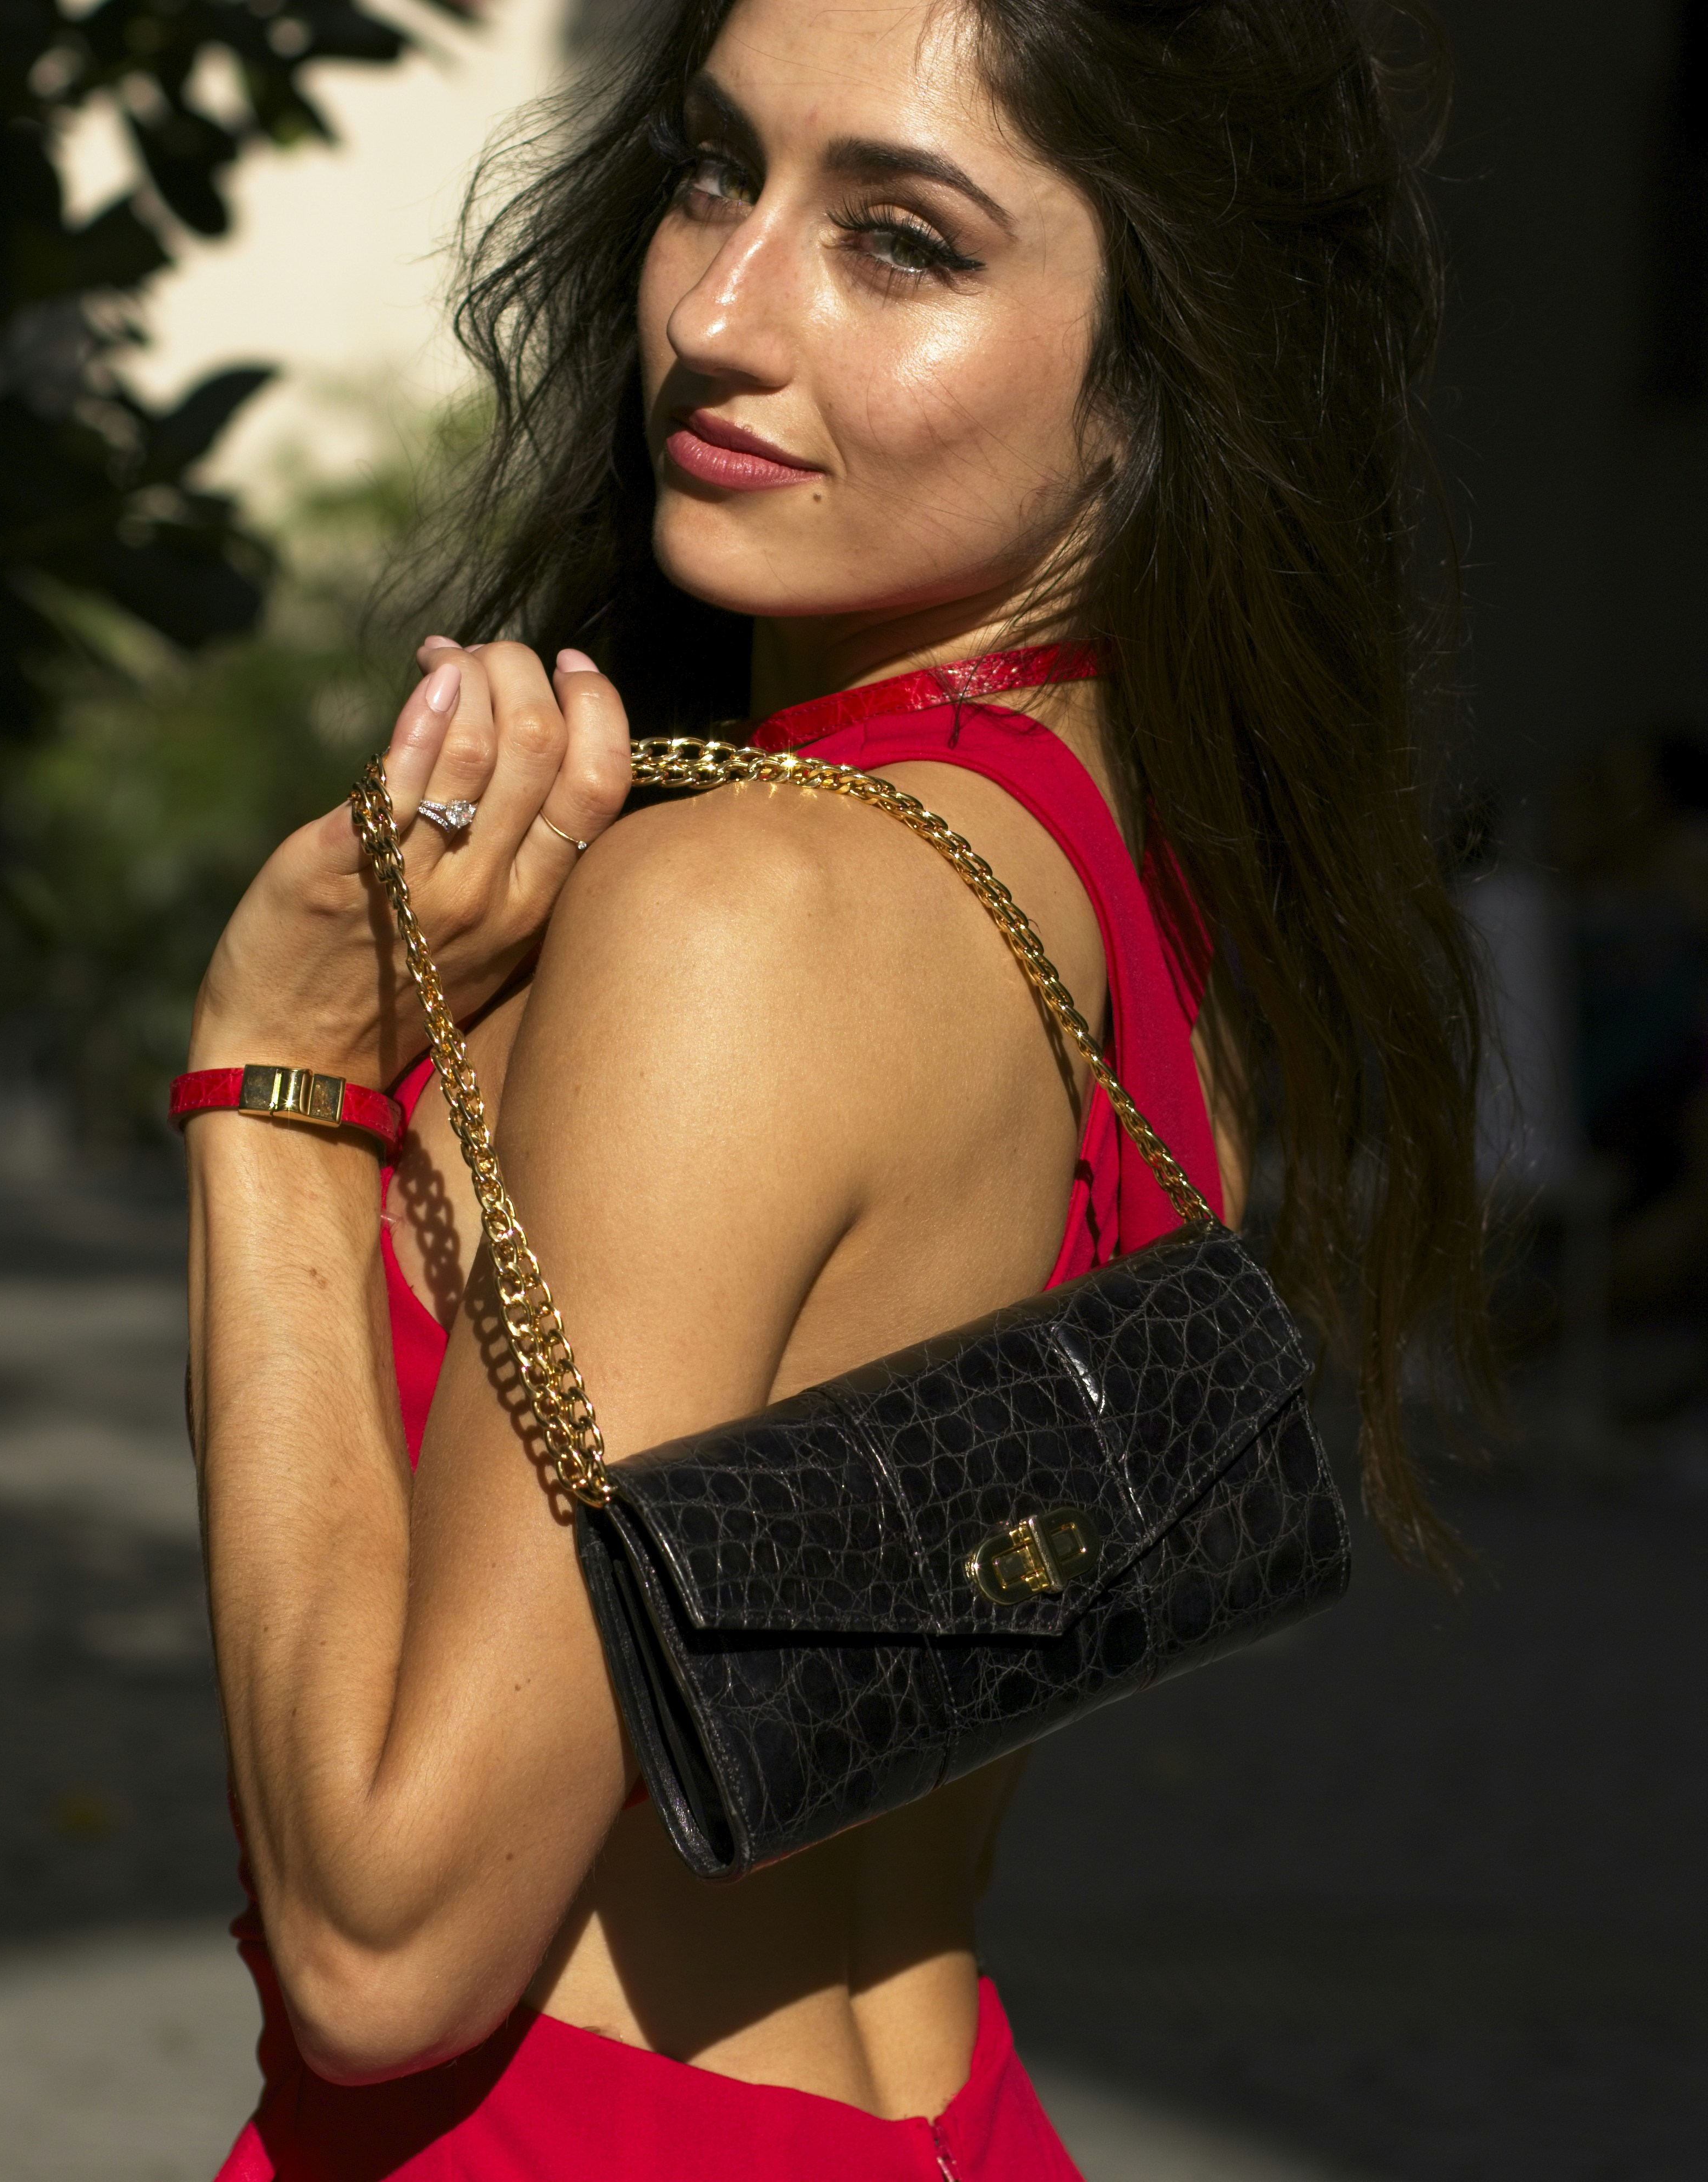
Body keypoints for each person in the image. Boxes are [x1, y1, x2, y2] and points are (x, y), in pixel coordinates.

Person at [184, 1, 1489, 2174]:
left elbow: (387, 1944)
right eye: (712, 167)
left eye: (899, 243)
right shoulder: (1125, 895)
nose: (714, 308)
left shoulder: (749, 914)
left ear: (1154, 376)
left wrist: (272, 1096)